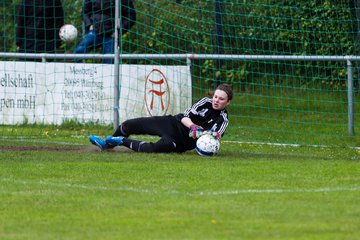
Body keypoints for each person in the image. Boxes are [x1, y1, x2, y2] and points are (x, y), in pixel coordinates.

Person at [89, 84, 233, 153]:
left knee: (153, 149)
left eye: (221, 99)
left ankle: (121, 141)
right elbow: (184, 116)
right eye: (215, 97)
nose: (216, 100)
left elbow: (213, 137)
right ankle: (106, 145)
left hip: (180, 142)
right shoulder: (204, 102)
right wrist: (193, 127)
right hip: (172, 124)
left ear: (228, 102)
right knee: (128, 125)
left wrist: (203, 135)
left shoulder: (223, 119)